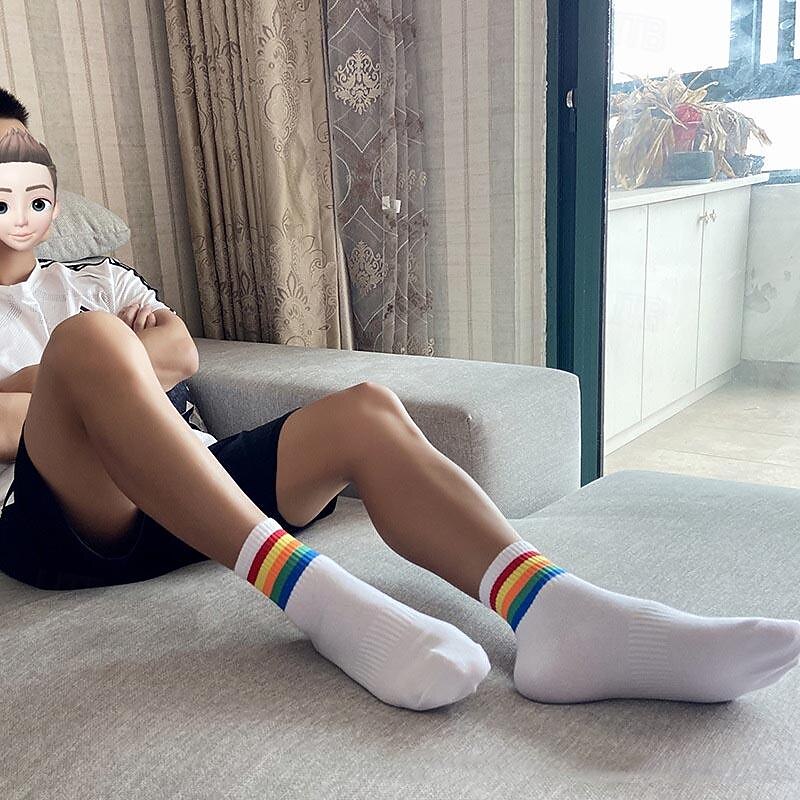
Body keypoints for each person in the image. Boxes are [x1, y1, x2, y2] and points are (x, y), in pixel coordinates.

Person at [0, 88, 797, 713]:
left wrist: (85, 388)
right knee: (90, 343)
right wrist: (89, 375)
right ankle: (322, 602)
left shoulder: (96, 277)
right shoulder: (99, 315)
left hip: (201, 490)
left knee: (367, 409)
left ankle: (561, 615)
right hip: (71, 528)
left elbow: (181, 353)